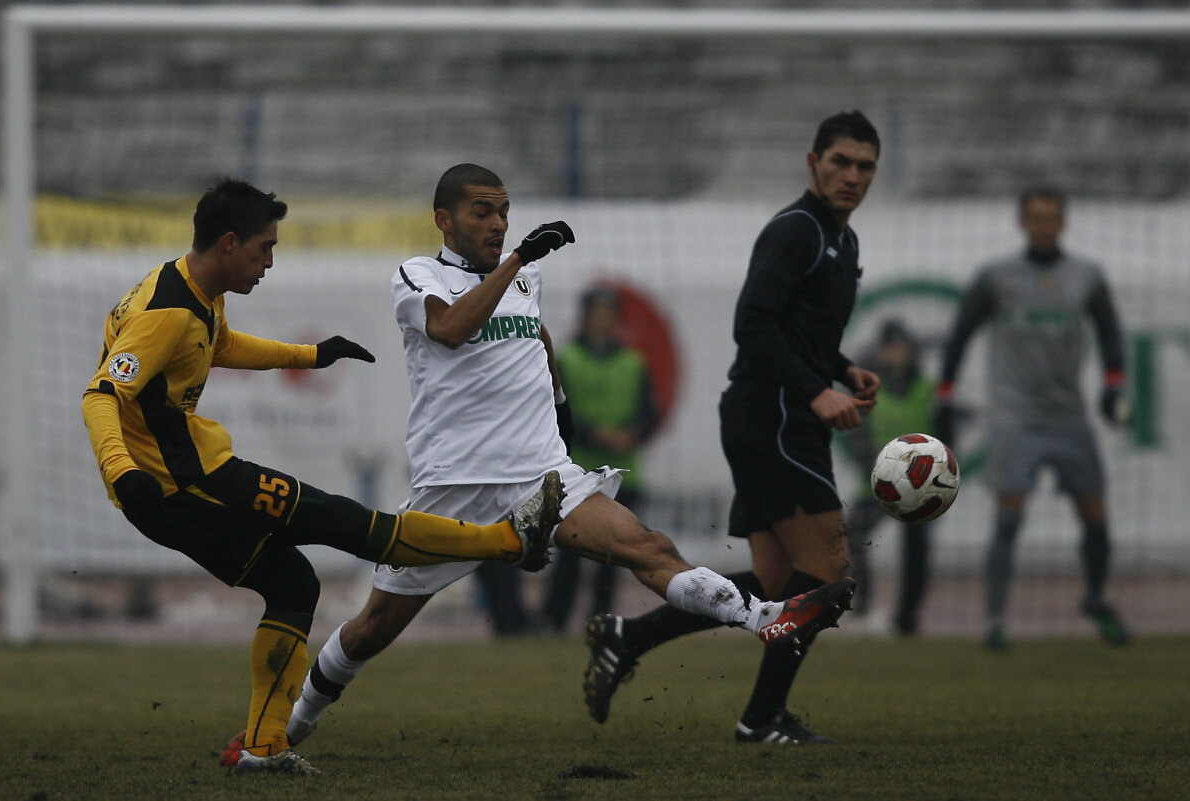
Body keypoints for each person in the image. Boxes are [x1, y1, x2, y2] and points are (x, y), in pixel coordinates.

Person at [239, 163, 853, 759]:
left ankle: (766, 617)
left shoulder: (523, 279)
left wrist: (559, 400)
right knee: (375, 626)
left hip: (541, 476)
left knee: (647, 546)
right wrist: (516, 262)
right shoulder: (417, 274)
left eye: (505, 211)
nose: (498, 222)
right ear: (443, 219)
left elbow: (534, 336)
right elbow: (452, 329)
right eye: (483, 210)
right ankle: (292, 725)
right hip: (454, 488)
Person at [83, 178, 564, 776]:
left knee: (292, 585)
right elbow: (102, 394)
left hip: (176, 491)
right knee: (350, 523)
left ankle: (263, 750)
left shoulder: (188, 286)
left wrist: (309, 355)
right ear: (230, 243)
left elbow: (220, 345)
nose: (270, 261)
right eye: (264, 248)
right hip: (187, 484)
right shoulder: (169, 310)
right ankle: (511, 541)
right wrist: (122, 469)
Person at [581, 110, 881, 744]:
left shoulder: (842, 241)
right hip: (773, 414)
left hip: (775, 412)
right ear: (813, 164)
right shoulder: (796, 230)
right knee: (827, 571)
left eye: (865, 167)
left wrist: (843, 369)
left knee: (777, 586)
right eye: (841, 162)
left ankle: (629, 637)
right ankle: (762, 718)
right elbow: (754, 326)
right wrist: (815, 391)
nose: (852, 176)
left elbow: (799, 335)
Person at [935, 186, 1131, 650]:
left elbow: (1111, 334)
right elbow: (960, 334)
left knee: (1096, 518)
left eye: (1052, 217)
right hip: (1015, 418)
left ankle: (1096, 599)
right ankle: (994, 620)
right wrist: (945, 393)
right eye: (1036, 217)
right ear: (1023, 222)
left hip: (1069, 418)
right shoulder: (997, 277)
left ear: (1064, 222)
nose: (1044, 224)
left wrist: (1114, 384)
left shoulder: (1086, 276)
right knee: (1008, 519)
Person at [541, 284, 660, 633]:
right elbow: (557, 407)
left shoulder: (634, 362)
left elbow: (650, 411)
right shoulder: (566, 358)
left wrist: (632, 433)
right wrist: (594, 433)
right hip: (578, 470)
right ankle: (556, 620)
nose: (603, 320)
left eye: (609, 314)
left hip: (624, 472)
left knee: (614, 554)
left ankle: (602, 620)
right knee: (571, 551)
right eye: (597, 313)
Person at [841, 319, 936, 636]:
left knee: (916, 547)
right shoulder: (869, 389)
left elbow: (941, 439)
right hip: (877, 484)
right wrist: (876, 468)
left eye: (901, 348)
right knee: (852, 536)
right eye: (890, 348)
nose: (896, 354)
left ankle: (907, 616)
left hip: (919, 486)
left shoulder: (926, 388)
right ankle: (863, 606)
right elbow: (856, 436)